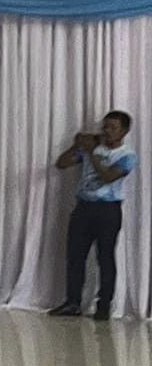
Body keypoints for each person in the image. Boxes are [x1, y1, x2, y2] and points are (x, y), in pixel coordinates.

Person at [50, 110, 136, 321]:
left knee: (105, 257)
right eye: (105, 126)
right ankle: (72, 302)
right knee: (75, 256)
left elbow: (108, 177)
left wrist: (92, 153)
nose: (107, 131)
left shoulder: (127, 155)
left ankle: (103, 306)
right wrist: (76, 145)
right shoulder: (92, 148)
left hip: (108, 211)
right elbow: (61, 164)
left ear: (124, 131)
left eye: (113, 128)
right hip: (83, 208)